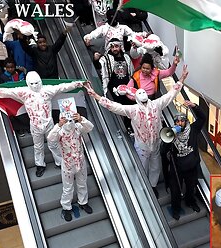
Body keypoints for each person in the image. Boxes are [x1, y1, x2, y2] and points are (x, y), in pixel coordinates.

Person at [86, 65, 189, 196]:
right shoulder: (133, 110)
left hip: (156, 143)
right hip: (142, 146)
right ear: (137, 98)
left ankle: (152, 186)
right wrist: (96, 95)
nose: (143, 97)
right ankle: (142, 189)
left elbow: (171, 94)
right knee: (142, 167)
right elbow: (114, 106)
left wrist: (181, 79)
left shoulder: (156, 104)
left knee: (155, 167)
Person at [0, 71, 84, 177]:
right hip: (35, 125)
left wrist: (80, 83)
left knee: (54, 144)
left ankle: (60, 162)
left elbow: (63, 87)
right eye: (32, 83)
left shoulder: (48, 90)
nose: (34, 85)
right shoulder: (23, 92)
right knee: (38, 146)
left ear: (40, 81)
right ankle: (40, 165)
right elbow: (5, 92)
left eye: (36, 83)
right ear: (28, 83)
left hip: (49, 124)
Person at [163, 101, 206, 220]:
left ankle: (191, 202)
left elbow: (203, 118)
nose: (179, 123)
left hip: (191, 167)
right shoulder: (171, 134)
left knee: (191, 186)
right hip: (177, 168)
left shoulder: (193, 129)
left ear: (186, 122)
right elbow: (164, 150)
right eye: (177, 121)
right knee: (175, 190)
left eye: (182, 121)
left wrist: (194, 107)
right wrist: (169, 139)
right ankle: (176, 208)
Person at [47, 112, 94, 222]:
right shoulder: (59, 132)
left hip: (80, 162)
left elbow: (90, 127)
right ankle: (66, 207)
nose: (69, 122)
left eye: (70, 119)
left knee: (82, 183)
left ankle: (83, 202)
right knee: (68, 188)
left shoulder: (77, 127)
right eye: (66, 119)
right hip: (68, 165)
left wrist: (81, 118)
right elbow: (50, 138)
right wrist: (58, 125)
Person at [98, 38, 134, 130]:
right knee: (117, 110)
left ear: (120, 47)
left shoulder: (126, 57)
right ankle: (122, 130)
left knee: (129, 110)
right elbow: (99, 65)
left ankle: (130, 128)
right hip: (114, 92)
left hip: (127, 90)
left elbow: (131, 72)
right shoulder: (105, 58)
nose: (114, 49)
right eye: (112, 47)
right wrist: (95, 59)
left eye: (116, 46)